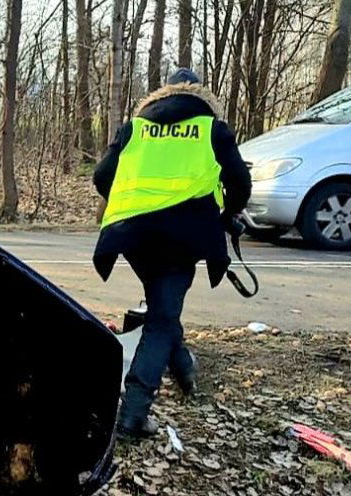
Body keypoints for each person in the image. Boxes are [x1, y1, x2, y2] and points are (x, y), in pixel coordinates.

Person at [92, 68, 252, 438]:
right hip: (183, 237)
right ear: (201, 96)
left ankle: (184, 371)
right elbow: (240, 185)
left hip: (132, 235)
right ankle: (133, 414)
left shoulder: (136, 128)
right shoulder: (211, 129)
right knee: (162, 319)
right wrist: (227, 213)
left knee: (164, 305)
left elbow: (102, 176)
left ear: (162, 94)